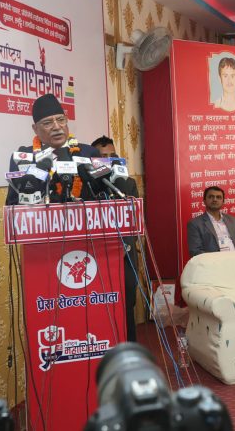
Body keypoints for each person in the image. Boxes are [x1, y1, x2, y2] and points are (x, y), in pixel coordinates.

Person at [6, 94, 98, 205]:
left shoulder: (88, 153)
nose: (57, 127)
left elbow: (103, 196)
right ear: (35, 129)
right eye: (47, 123)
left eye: (61, 120)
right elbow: (13, 203)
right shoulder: (23, 158)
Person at [91, 135, 140, 341]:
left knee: (127, 305)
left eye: (112, 156)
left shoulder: (128, 182)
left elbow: (134, 221)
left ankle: (129, 349)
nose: (109, 161)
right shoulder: (87, 184)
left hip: (125, 256)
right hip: (97, 257)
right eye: (103, 157)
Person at [187, 186, 235, 256]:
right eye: (211, 197)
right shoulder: (195, 224)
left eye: (218, 197)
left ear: (223, 201)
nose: (215, 199)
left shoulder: (233, 220)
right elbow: (195, 251)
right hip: (213, 261)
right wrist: (217, 260)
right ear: (204, 201)